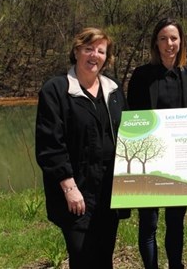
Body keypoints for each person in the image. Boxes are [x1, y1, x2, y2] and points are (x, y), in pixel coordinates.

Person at [35, 27, 127, 269]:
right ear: (76, 51)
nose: (94, 55)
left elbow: (128, 135)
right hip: (76, 192)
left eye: (100, 50)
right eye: (88, 49)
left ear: (107, 57)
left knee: (105, 256)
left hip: (109, 190)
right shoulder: (56, 90)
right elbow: (50, 145)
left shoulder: (114, 90)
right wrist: (68, 187)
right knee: (82, 256)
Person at [128, 17, 187, 269]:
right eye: (163, 38)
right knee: (149, 223)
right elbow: (132, 119)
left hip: (178, 161)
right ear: (156, 42)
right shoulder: (141, 76)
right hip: (148, 159)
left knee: (176, 221)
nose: (169, 44)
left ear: (181, 42)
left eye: (174, 38)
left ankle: (176, 265)